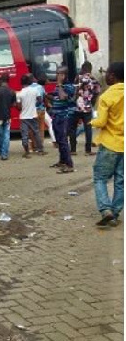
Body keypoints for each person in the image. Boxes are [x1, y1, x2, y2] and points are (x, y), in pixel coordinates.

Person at [91, 62, 123, 227]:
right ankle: (116, 214)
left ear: (112, 76)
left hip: (110, 144)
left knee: (100, 178)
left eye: (108, 73)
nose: (106, 76)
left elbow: (101, 121)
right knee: (121, 181)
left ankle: (106, 210)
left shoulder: (106, 96)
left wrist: (91, 122)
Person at [48, 66, 76, 173]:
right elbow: (57, 97)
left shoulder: (68, 86)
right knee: (59, 140)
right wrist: (48, 96)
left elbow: (63, 97)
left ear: (64, 75)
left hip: (64, 117)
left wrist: (59, 85)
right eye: (57, 73)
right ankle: (62, 161)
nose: (57, 76)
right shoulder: (58, 86)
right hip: (56, 116)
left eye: (59, 74)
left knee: (63, 141)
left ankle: (69, 165)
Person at [70, 61, 101, 156]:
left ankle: (73, 150)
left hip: (76, 107)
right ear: (90, 69)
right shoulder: (93, 80)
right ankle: (88, 150)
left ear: (82, 68)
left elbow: (73, 91)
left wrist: (74, 101)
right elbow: (97, 91)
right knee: (88, 129)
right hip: (87, 107)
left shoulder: (77, 78)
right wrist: (92, 102)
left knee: (73, 128)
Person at [16, 74, 47, 158]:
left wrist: (21, 106)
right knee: (36, 132)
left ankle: (27, 152)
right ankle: (40, 150)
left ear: (21, 83)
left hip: (24, 117)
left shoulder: (19, 94)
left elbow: (19, 107)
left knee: (25, 135)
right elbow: (40, 100)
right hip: (33, 115)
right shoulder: (35, 91)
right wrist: (34, 105)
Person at [0, 73, 15, 160]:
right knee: (6, 136)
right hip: (7, 116)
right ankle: (4, 155)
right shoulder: (12, 91)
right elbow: (14, 104)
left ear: (1, 81)